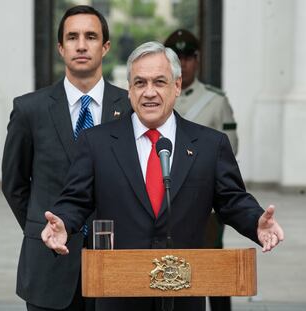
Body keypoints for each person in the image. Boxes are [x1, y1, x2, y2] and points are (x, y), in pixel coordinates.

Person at [40, 41, 284, 311]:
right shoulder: (96, 143)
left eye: (159, 82)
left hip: (184, 295)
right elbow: (76, 199)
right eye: (140, 83)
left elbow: (232, 200)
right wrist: (62, 221)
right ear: (129, 90)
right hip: (119, 295)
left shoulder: (209, 144)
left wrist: (255, 222)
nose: (150, 92)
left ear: (176, 86)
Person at [1, 5, 131, 311]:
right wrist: (42, 227)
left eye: (91, 36)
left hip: (114, 262)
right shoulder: (29, 110)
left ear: (106, 47)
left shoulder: (129, 108)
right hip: (48, 264)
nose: (82, 45)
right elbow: (14, 184)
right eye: (72, 37)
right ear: (61, 48)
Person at [164, 29, 236, 311]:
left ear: (198, 59)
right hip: (161, 199)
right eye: (176, 57)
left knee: (212, 265)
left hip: (204, 202)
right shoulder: (154, 97)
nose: (183, 63)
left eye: (188, 57)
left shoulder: (215, 101)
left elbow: (230, 150)